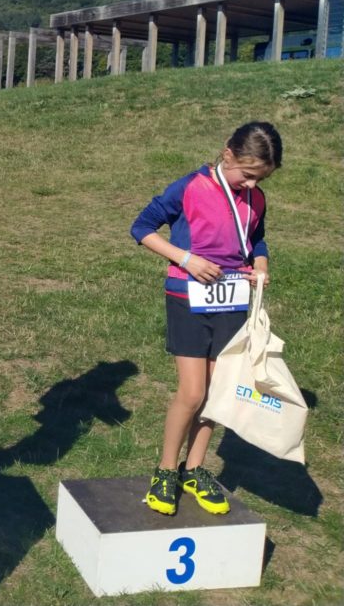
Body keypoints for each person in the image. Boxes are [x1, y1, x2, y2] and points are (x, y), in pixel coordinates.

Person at [131, 121, 282, 516]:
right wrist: (185, 259)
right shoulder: (190, 187)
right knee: (193, 391)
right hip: (188, 298)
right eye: (247, 175)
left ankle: (194, 469)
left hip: (232, 303)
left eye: (259, 179)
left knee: (216, 394)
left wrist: (260, 264)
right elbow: (142, 227)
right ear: (227, 154)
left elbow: (255, 239)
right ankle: (165, 470)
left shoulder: (256, 199)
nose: (250, 185)